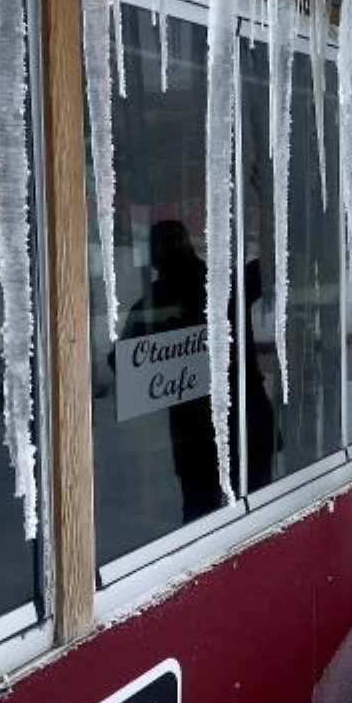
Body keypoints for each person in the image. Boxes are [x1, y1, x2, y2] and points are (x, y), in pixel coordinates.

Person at [115, 220, 275, 520]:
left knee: (209, 521)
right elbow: (123, 363)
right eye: (169, 243)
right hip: (230, 426)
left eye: (174, 242)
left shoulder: (213, 291)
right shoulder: (223, 288)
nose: (173, 250)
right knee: (247, 515)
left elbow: (121, 363)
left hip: (213, 429)